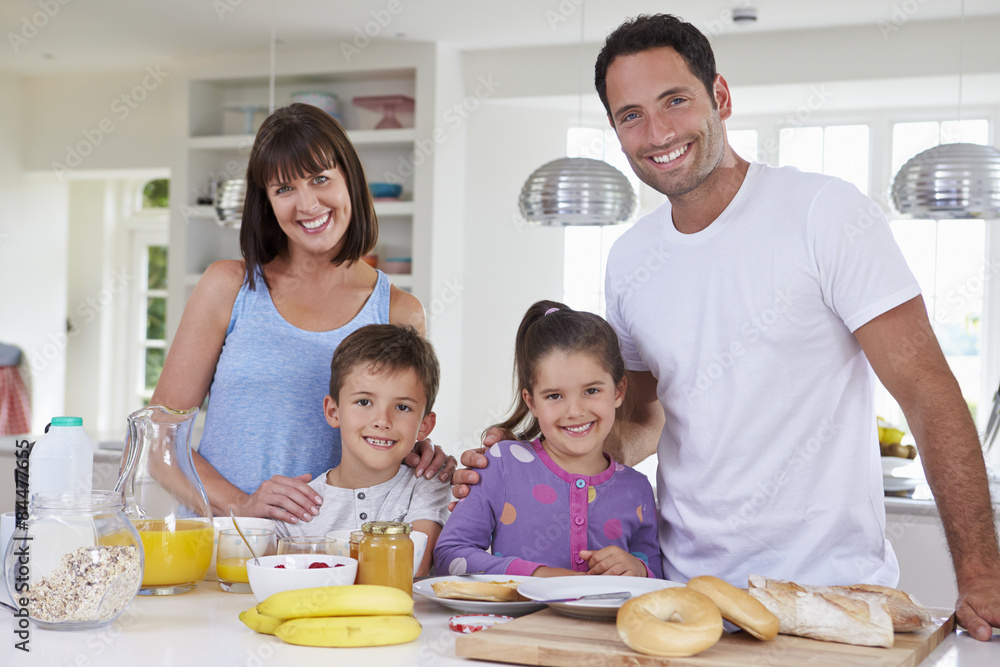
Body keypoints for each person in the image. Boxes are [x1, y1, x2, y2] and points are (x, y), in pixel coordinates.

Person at [457, 14, 1000, 640]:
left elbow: (926, 389)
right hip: (686, 595)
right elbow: (638, 420)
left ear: (720, 97)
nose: (656, 132)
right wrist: (530, 456)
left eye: (675, 101)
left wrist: (981, 573)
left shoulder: (823, 214)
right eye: (630, 114)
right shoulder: (631, 259)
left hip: (833, 595)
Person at [150, 103, 454, 526]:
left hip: (334, 554)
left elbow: (384, 434)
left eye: (320, 179)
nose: (307, 204)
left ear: (350, 180)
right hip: (226, 552)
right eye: (284, 189)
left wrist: (420, 455)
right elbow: (158, 443)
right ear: (267, 203)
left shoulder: (399, 311)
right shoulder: (229, 287)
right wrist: (241, 505)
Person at [436, 301, 661, 578]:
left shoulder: (637, 489)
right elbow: (450, 555)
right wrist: (541, 575)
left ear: (618, 390)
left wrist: (638, 570)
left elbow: (657, 582)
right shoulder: (502, 464)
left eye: (591, 390)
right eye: (554, 396)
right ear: (531, 402)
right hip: (515, 623)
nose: (575, 411)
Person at [276, 324, 449, 577]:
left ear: (424, 425)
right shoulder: (298, 507)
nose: (382, 420)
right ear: (333, 412)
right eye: (364, 402)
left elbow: (413, 566)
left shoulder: (428, 486)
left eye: (402, 407)